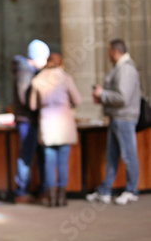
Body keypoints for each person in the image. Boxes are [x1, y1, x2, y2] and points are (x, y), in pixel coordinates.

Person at [86, 39, 141, 205]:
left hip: (124, 118)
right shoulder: (119, 68)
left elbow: (122, 98)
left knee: (129, 156)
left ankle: (132, 190)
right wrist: (102, 96)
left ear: (115, 52)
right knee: (112, 157)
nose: (108, 55)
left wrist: (102, 94)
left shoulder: (125, 69)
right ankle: (105, 190)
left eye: (109, 51)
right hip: (116, 118)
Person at [29, 53, 82, 207]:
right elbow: (77, 100)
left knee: (49, 163)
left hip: (47, 125)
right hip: (64, 124)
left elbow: (33, 105)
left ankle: (51, 198)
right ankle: (61, 197)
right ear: (61, 63)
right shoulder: (65, 78)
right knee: (63, 163)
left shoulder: (38, 80)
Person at [11, 39, 50, 203]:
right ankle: (21, 191)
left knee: (38, 155)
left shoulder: (30, 71)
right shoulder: (25, 71)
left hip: (32, 120)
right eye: (44, 57)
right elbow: (25, 98)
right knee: (26, 156)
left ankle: (41, 189)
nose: (46, 61)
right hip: (27, 120)